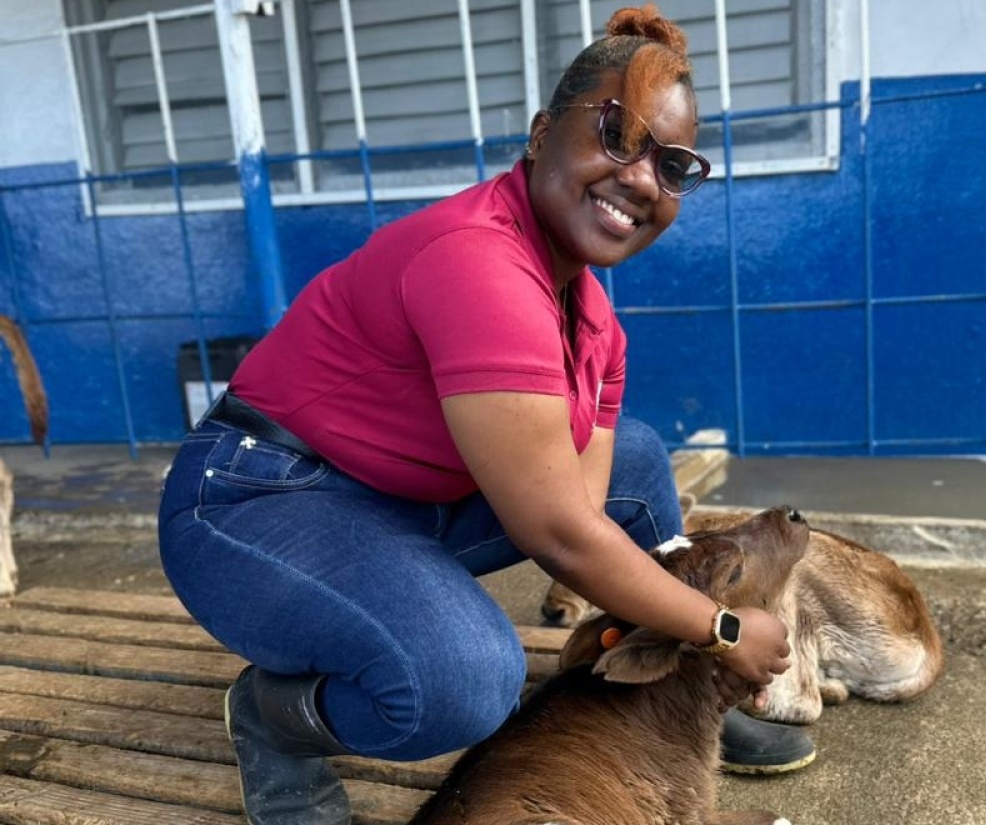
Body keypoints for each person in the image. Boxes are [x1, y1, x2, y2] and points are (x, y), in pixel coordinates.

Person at [158, 5, 815, 823]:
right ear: (542, 133)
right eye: (617, 134)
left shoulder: (597, 325)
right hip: (256, 498)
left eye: (673, 165)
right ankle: (274, 717)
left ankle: (675, 689)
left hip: (391, 501)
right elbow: (561, 536)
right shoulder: (479, 264)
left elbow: (584, 514)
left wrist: (690, 640)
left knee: (637, 462)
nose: (643, 178)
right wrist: (723, 625)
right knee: (464, 679)